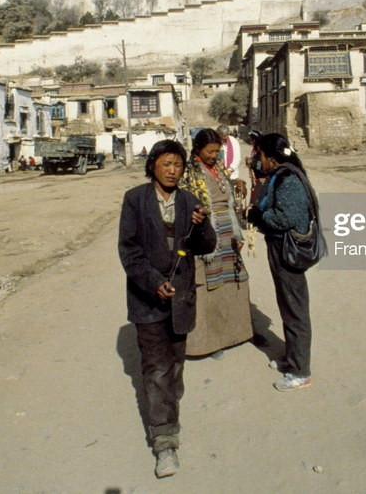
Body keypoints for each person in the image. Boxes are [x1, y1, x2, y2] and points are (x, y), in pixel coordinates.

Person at [118, 140, 216, 478]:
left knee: (175, 365)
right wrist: (152, 281)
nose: (173, 170)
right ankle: (165, 442)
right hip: (147, 301)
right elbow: (129, 251)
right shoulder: (135, 200)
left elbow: (207, 245)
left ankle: (167, 405)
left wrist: (202, 223)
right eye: (166, 164)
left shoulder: (190, 201)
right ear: (153, 167)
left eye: (178, 164)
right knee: (157, 369)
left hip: (181, 299)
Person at [247, 133, 315, 392]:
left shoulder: (289, 180)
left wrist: (259, 216)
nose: (258, 160)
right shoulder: (281, 174)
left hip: (289, 252)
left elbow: (285, 218)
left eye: (260, 156)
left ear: (271, 157)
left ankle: (301, 372)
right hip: (280, 248)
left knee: (295, 310)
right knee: (287, 306)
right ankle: (293, 357)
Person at [179, 128, 252, 359]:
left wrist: (237, 234)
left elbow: (228, 201)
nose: (214, 156)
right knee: (208, 288)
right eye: (210, 152)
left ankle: (236, 334)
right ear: (198, 149)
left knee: (232, 283)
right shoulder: (190, 173)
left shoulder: (219, 169)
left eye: (217, 152)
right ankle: (208, 342)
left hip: (227, 231)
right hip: (206, 235)